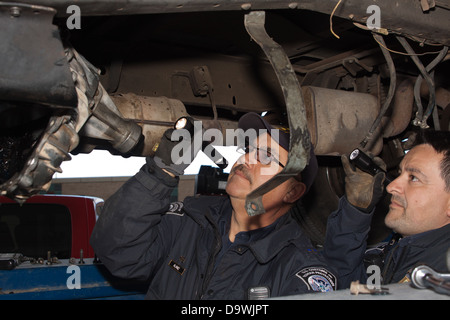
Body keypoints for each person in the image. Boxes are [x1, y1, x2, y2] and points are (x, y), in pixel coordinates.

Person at [90, 112, 337, 299]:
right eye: (249, 149)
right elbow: (117, 253)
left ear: (293, 191)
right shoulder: (188, 220)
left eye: (266, 156)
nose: (246, 158)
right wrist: (161, 172)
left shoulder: (300, 271)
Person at [324, 129, 450, 288]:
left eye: (414, 178)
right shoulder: (399, 251)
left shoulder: (441, 279)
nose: (391, 186)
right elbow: (342, 287)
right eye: (399, 173)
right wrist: (355, 213)